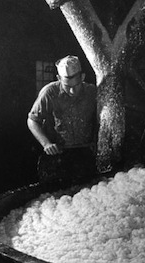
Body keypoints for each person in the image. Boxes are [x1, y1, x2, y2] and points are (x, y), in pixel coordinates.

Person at [27, 55, 100, 187]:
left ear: (82, 77)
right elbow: (32, 121)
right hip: (57, 154)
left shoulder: (92, 92)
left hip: (84, 153)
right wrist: (46, 144)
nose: (72, 91)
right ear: (59, 79)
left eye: (76, 85)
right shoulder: (49, 92)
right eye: (67, 86)